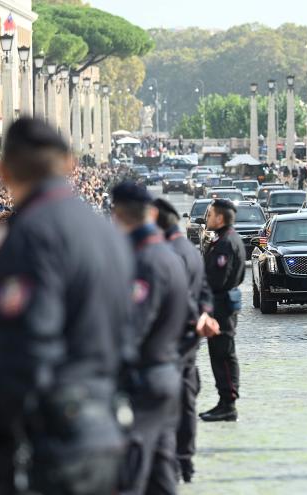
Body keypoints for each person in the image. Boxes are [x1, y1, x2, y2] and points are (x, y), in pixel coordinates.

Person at [0, 118, 134, 495]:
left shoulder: (31, 235)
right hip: (106, 431)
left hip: (49, 442)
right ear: (70, 163)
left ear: (4, 170)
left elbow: (20, 347)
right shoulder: (107, 234)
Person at [111, 182, 190, 494]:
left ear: (118, 215)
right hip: (165, 373)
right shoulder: (169, 255)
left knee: (129, 476)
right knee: (159, 477)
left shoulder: (145, 262)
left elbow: (131, 330)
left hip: (143, 380)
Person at [152, 198, 219, 483]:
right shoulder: (190, 251)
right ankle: (185, 460)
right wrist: (204, 315)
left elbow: (181, 296)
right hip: (190, 337)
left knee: (170, 404)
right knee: (187, 401)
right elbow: (204, 290)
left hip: (172, 339)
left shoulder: (165, 254)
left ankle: (173, 462)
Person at [199, 199, 246, 422]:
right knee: (220, 353)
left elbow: (217, 279)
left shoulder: (226, 242)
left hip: (221, 307)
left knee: (223, 354)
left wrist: (206, 307)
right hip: (222, 304)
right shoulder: (228, 239)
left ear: (219, 218)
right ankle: (224, 401)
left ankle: (228, 403)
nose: (207, 219)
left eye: (210, 215)